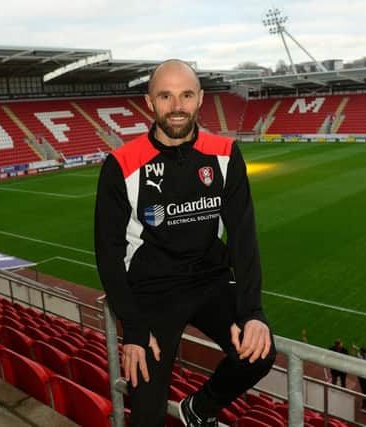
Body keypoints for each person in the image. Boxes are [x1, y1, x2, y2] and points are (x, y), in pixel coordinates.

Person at [94, 59, 275, 427]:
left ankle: (199, 409)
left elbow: (243, 235)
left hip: (209, 281)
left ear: (200, 99)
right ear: (150, 102)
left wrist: (252, 312)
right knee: (145, 415)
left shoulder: (225, 154)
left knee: (259, 353)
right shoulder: (121, 165)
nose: (176, 106)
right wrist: (133, 327)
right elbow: (108, 255)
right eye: (166, 96)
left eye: (185, 95)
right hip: (150, 293)